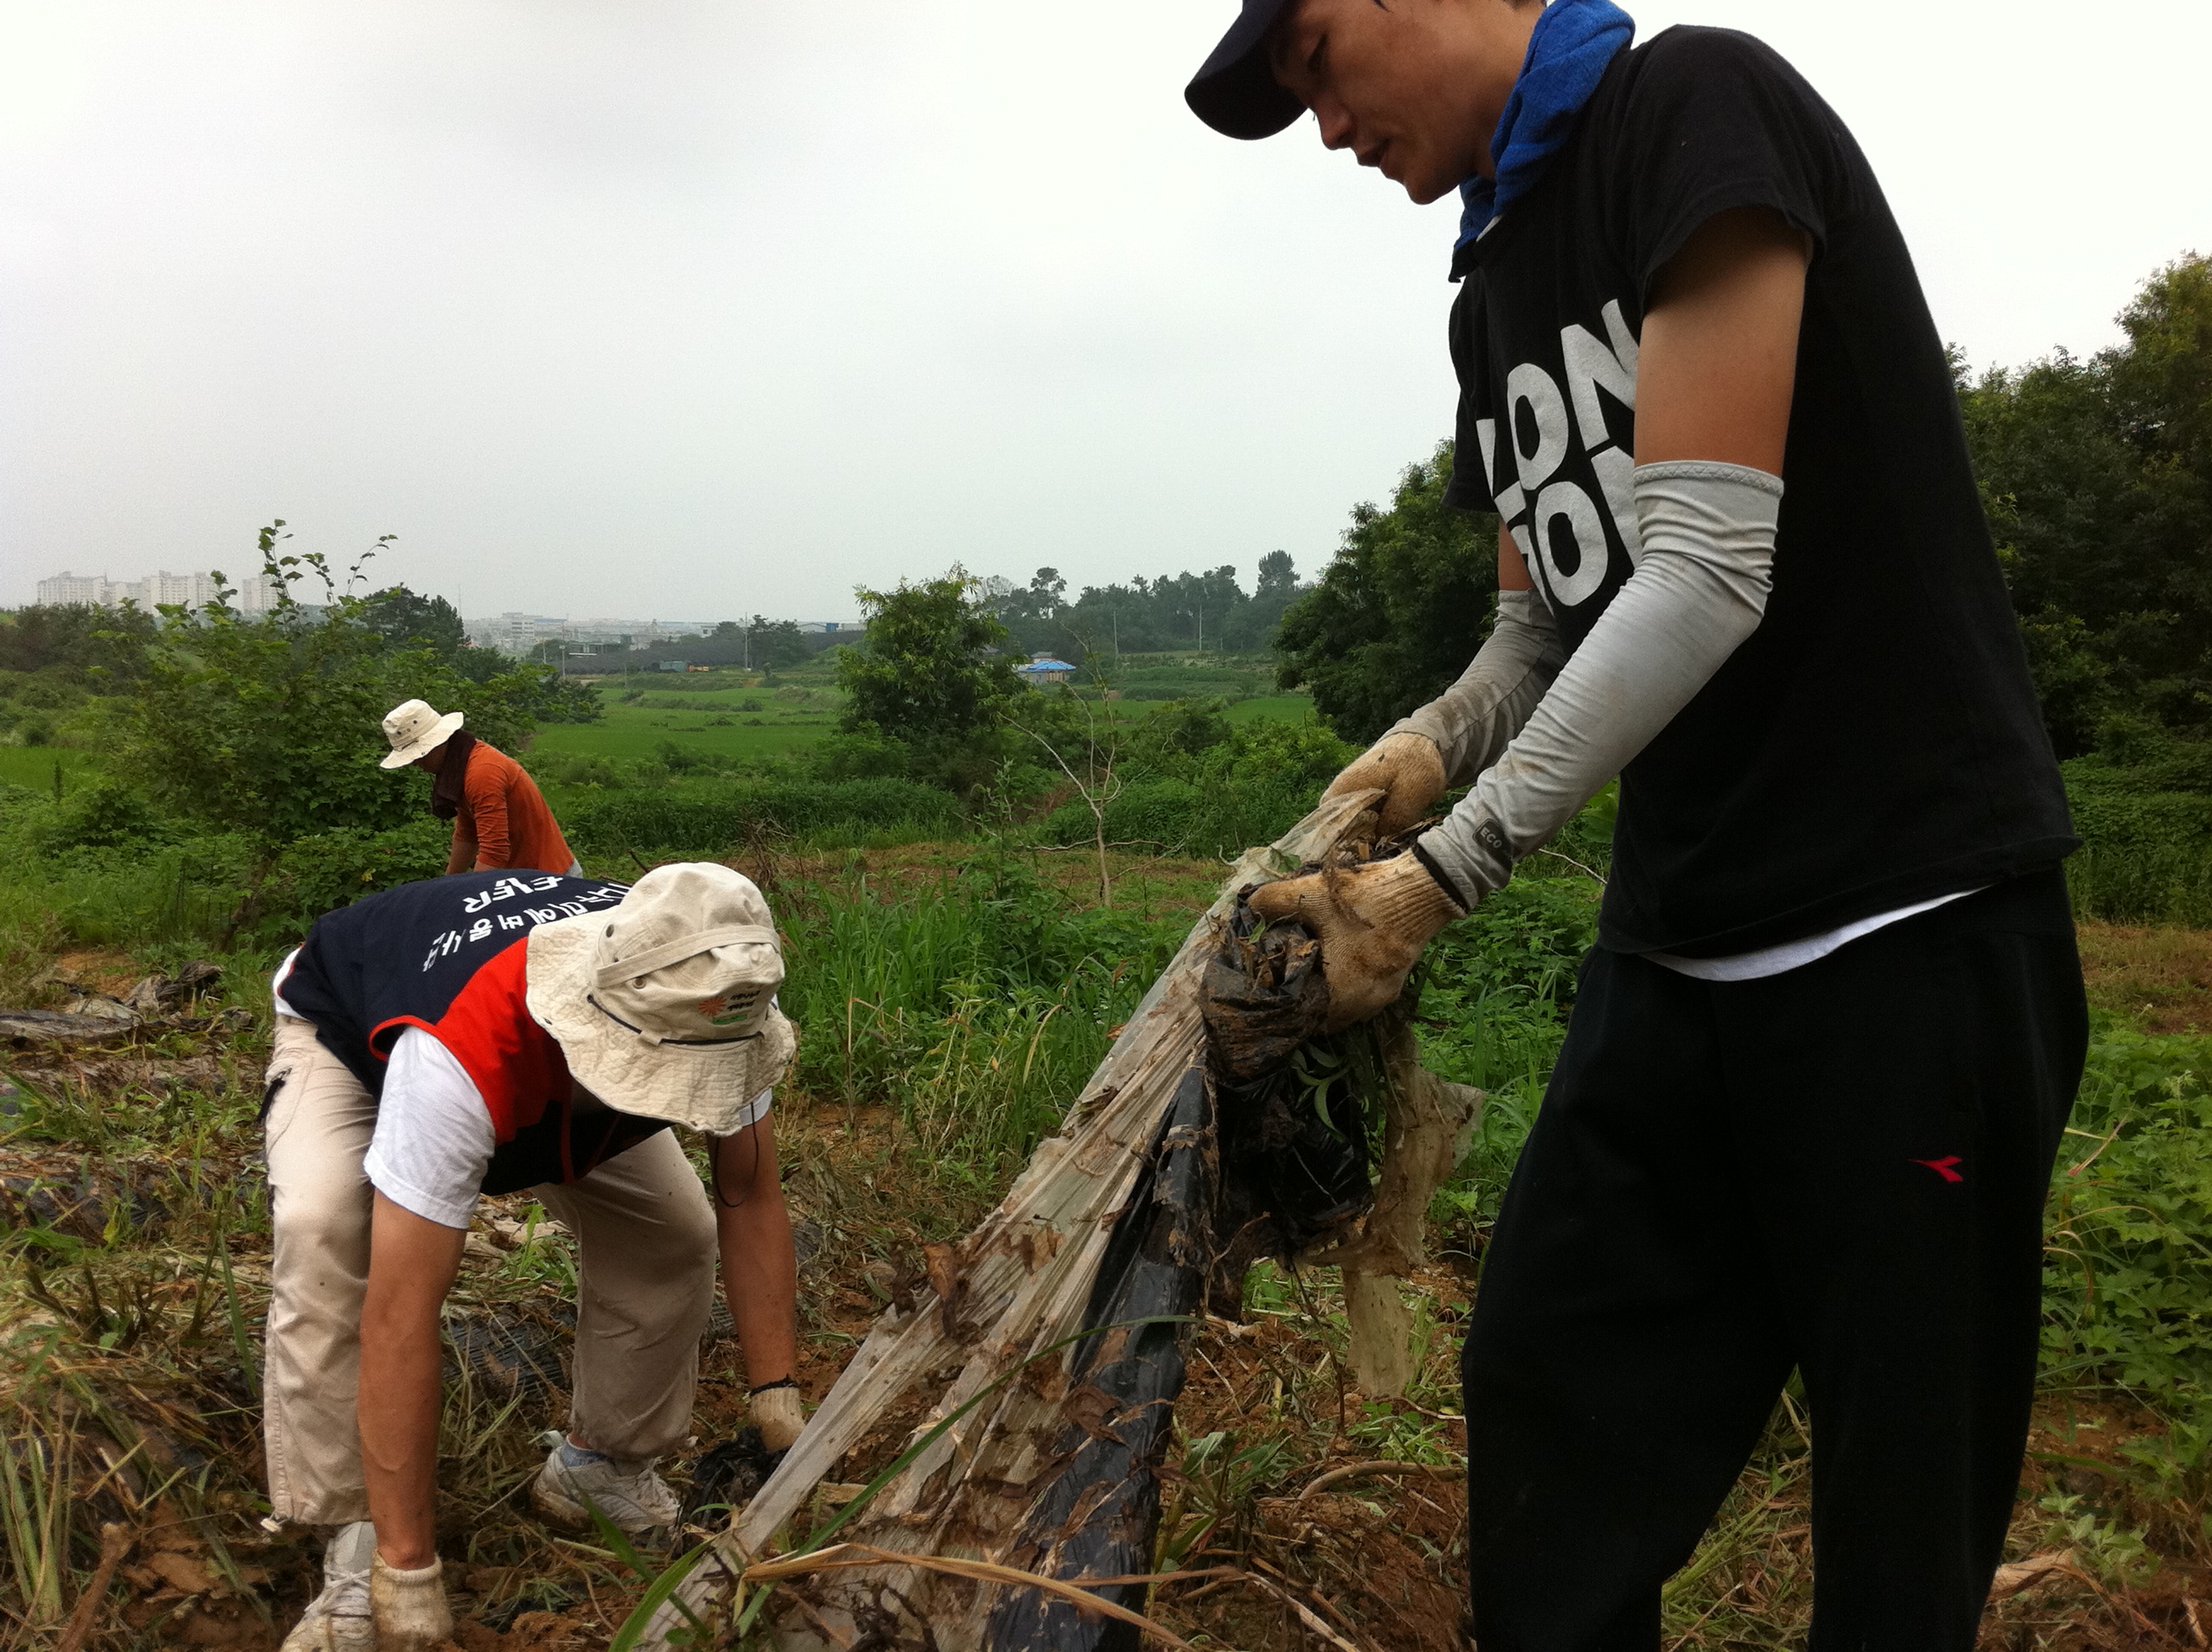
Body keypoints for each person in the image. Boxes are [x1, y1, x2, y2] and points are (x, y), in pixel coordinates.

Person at [1186, 2, 2087, 1646]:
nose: (1322, 127)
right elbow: (1545, 621)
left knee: (1900, 1499)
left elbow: (1700, 570)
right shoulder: (1495, 282)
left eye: (1317, 61)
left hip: (1905, 933)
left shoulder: (1694, 111)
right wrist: (1425, 746)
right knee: (1549, 1391)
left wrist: (1433, 882)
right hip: (1680, 948)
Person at [265, 862, 811, 1651]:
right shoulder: (459, 1049)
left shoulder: (717, 992)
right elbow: (400, 1310)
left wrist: (776, 1397)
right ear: (606, 1023)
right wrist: (406, 1571)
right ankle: (354, 1543)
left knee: (672, 1232)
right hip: (352, 1033)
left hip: (558, 1059)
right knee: (325, 1235)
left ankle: (601, 1469)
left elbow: (748, 1196)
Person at [378, 698, 580, 877]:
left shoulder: (482, 773)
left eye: (417, 756)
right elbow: (467, 833)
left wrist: (467, 898)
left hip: (550, 877)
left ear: (436, 743)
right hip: (519, 879)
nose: (415, 764)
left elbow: (494, 852)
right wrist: (446, 887)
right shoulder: (459, 768)